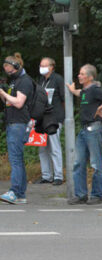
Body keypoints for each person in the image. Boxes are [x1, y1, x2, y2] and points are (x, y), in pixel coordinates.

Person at [65, 64, 102, 205]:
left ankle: (97, 194)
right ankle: (81, 194)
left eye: (82, 74)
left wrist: (101, 107)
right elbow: (79, 93)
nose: (79, 76)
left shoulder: (95, 90)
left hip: (93, 129)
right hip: (84, 130)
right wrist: (72, 90)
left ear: (90, 77)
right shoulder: (86, 91)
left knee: (95, 163)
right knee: (78, 162)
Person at [0, 54, 35, 204]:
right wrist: (3, 93)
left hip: (18, 123)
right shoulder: (15, 81)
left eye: (8, 67)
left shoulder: (24, 81)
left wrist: (2, 93)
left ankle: (15, 191)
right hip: (13, 122)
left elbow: (19, 103)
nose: (6, 70)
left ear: (15, 65)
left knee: (15, 159)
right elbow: (9, 102)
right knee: (18, 159)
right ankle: (20, 194)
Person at [35, 56, 66, 186]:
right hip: (42, 118)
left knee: (54, 147)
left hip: (54, 118)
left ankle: (58, 175)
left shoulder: (58, 79)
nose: (41, 68)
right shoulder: (41, 80)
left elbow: (64, 99)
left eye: (44, 65)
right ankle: (46, 175)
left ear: (51, 67)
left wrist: (62, 116)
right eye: (40, 65)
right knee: (42, 148)